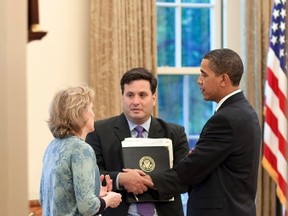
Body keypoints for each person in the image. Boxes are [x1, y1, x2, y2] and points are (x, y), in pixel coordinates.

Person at [86, 67, 189, 216]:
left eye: (142, 95)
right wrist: (121, 179)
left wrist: (149, 180)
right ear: (122, 97)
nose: (136, 101)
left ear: (153, 98)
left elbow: (184, 177)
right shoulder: (99, 131)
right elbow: (91, 176)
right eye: (130, 95)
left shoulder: (175, 133)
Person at [176, 48, 261, 216]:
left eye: (204, 75)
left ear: (223, 79)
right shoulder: (244, 111)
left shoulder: (225, 119)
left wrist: (151, 180)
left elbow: (190, 171)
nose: (199, 81)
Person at [40, 86, 122, 216]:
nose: (94, 114)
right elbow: (88, 208)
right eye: (91, 109)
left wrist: (97, 194)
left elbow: (47, 197)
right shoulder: (81, 149)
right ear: (80, 113)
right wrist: (109, 200)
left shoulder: (52, 147)